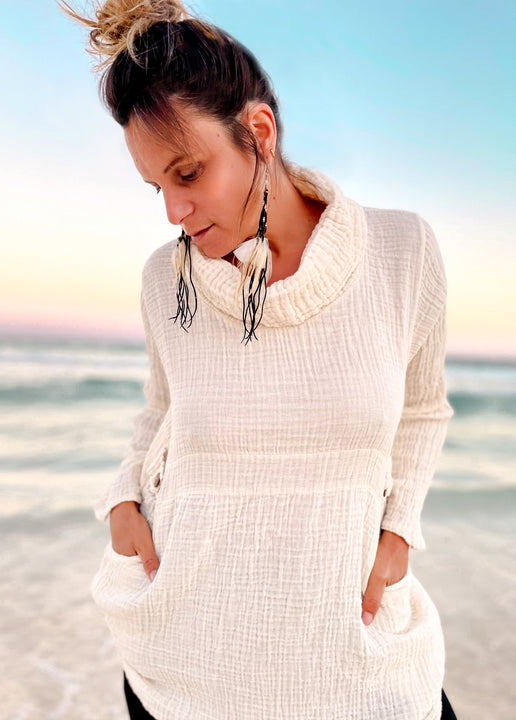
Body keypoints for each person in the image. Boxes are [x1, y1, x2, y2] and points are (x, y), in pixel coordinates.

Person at [60, 1, 459, 718]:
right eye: (157, 187)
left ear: (258, 133)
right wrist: (123, 502)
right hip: (182, 662)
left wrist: (398, 533)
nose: (173, 212)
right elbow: (162, 412)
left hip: (356, 667)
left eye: (188, 173)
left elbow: (425, 409)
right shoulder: (165, 279)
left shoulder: (404, 253)